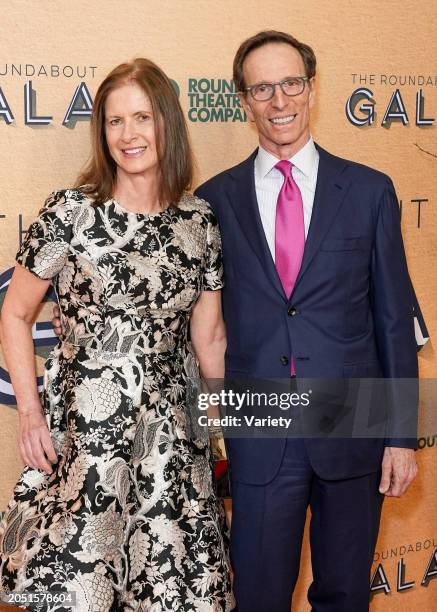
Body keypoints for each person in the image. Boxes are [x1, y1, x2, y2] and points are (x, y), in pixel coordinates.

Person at [194, 31, 419, 611]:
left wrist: (400, 437)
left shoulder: (370, 191)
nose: (279, 100)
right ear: (243, 100)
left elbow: (393, 322)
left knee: (345, 594)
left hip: (353, 425)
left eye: (291, 83)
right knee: (260, 595)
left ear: (312, 89)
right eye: (262, 87)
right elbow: (205, 330)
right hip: (260, 429)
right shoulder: (213, 202)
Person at [0, 58, 235, 611]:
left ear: (168, 126)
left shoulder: (198, 222)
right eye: (114, 122)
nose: (128, 135)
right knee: (83, 585)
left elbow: (211, 336)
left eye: (142, 118)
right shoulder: (70, 213)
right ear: (101, 133)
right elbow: (13, 315)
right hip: (88, 432)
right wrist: (32, 415)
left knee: (171, 588)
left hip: (173, 438)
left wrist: (217, 427)